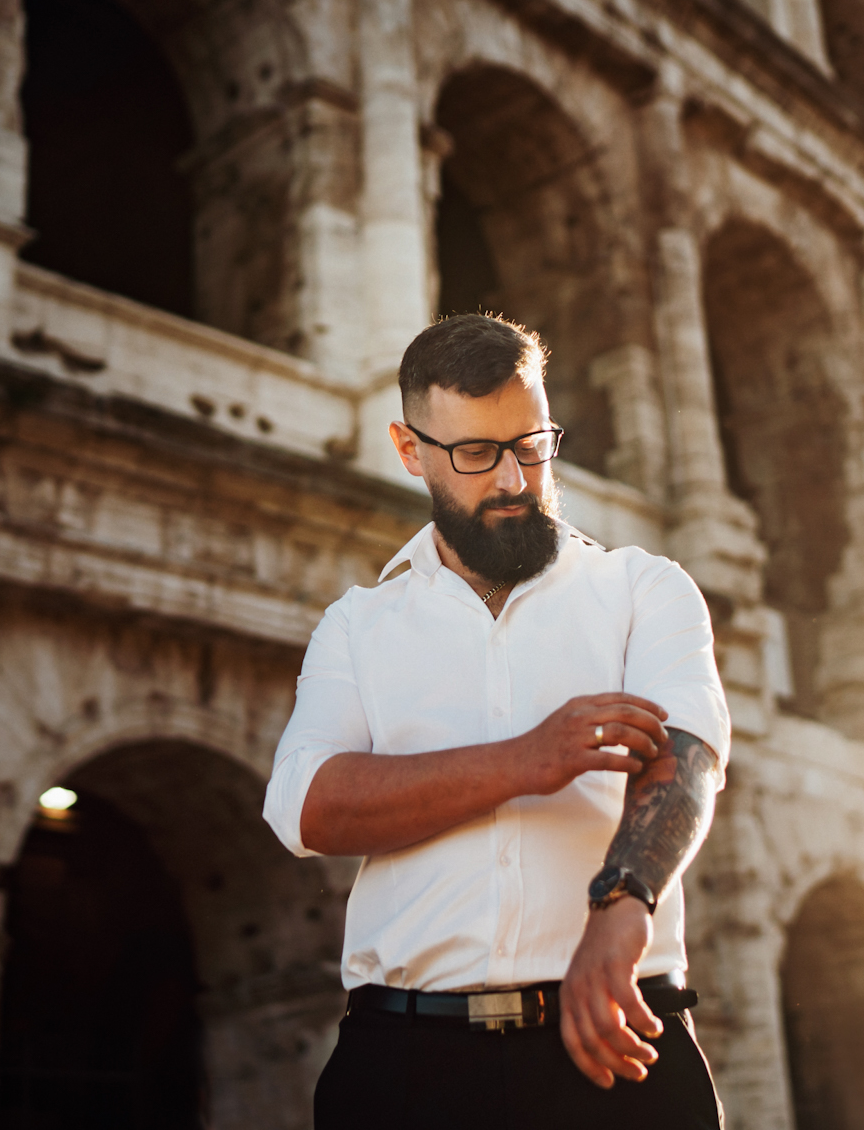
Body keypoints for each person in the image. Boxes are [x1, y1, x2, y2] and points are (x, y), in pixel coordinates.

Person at [263, 313, 731, 1130]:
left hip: (620, 1041)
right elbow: (308, 806)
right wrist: (525, 760)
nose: (515, 479)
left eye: (532, 444)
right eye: (477, 454)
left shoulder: (645, 589)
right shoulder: (357, 624)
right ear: (410, 451)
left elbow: (686, 757)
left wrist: (623, 903)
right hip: (408, 1067)